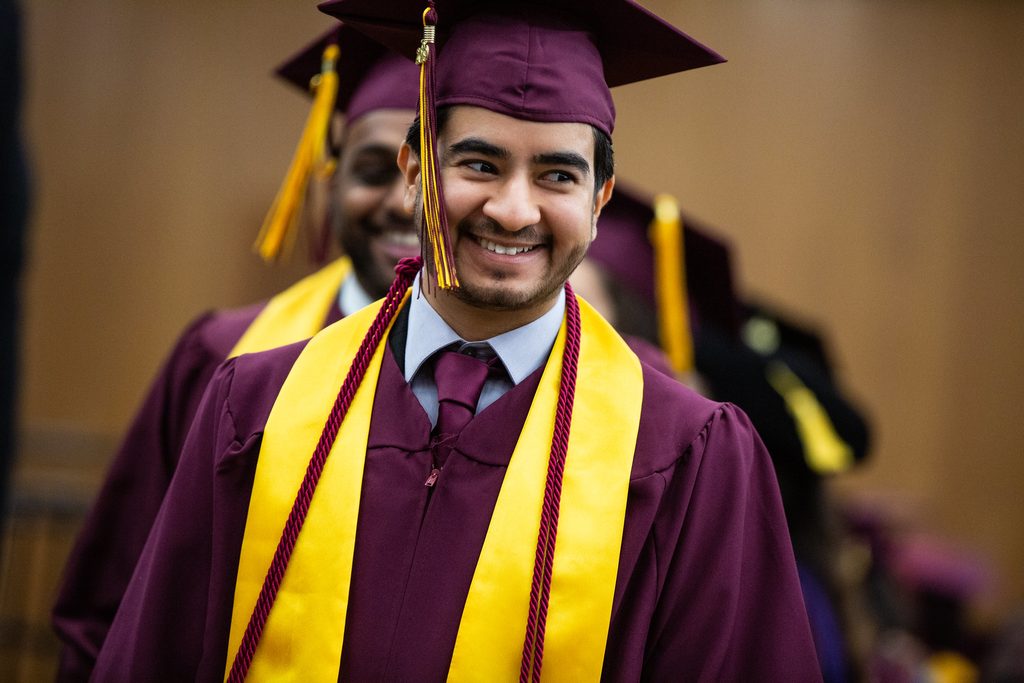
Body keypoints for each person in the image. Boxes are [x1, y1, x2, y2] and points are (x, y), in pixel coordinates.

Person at [93, 1, 821, 680]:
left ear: (599, 200)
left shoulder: (684, 453)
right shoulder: (256, 406)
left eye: (557, 174)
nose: (512, 209)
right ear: (415, 172)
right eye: (480, 163)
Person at [51, 25, 419, 680]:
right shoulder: (221, 353)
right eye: (372, 170)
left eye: (427, 172)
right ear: (327, 178)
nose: (401, 200)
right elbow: (112, 597)